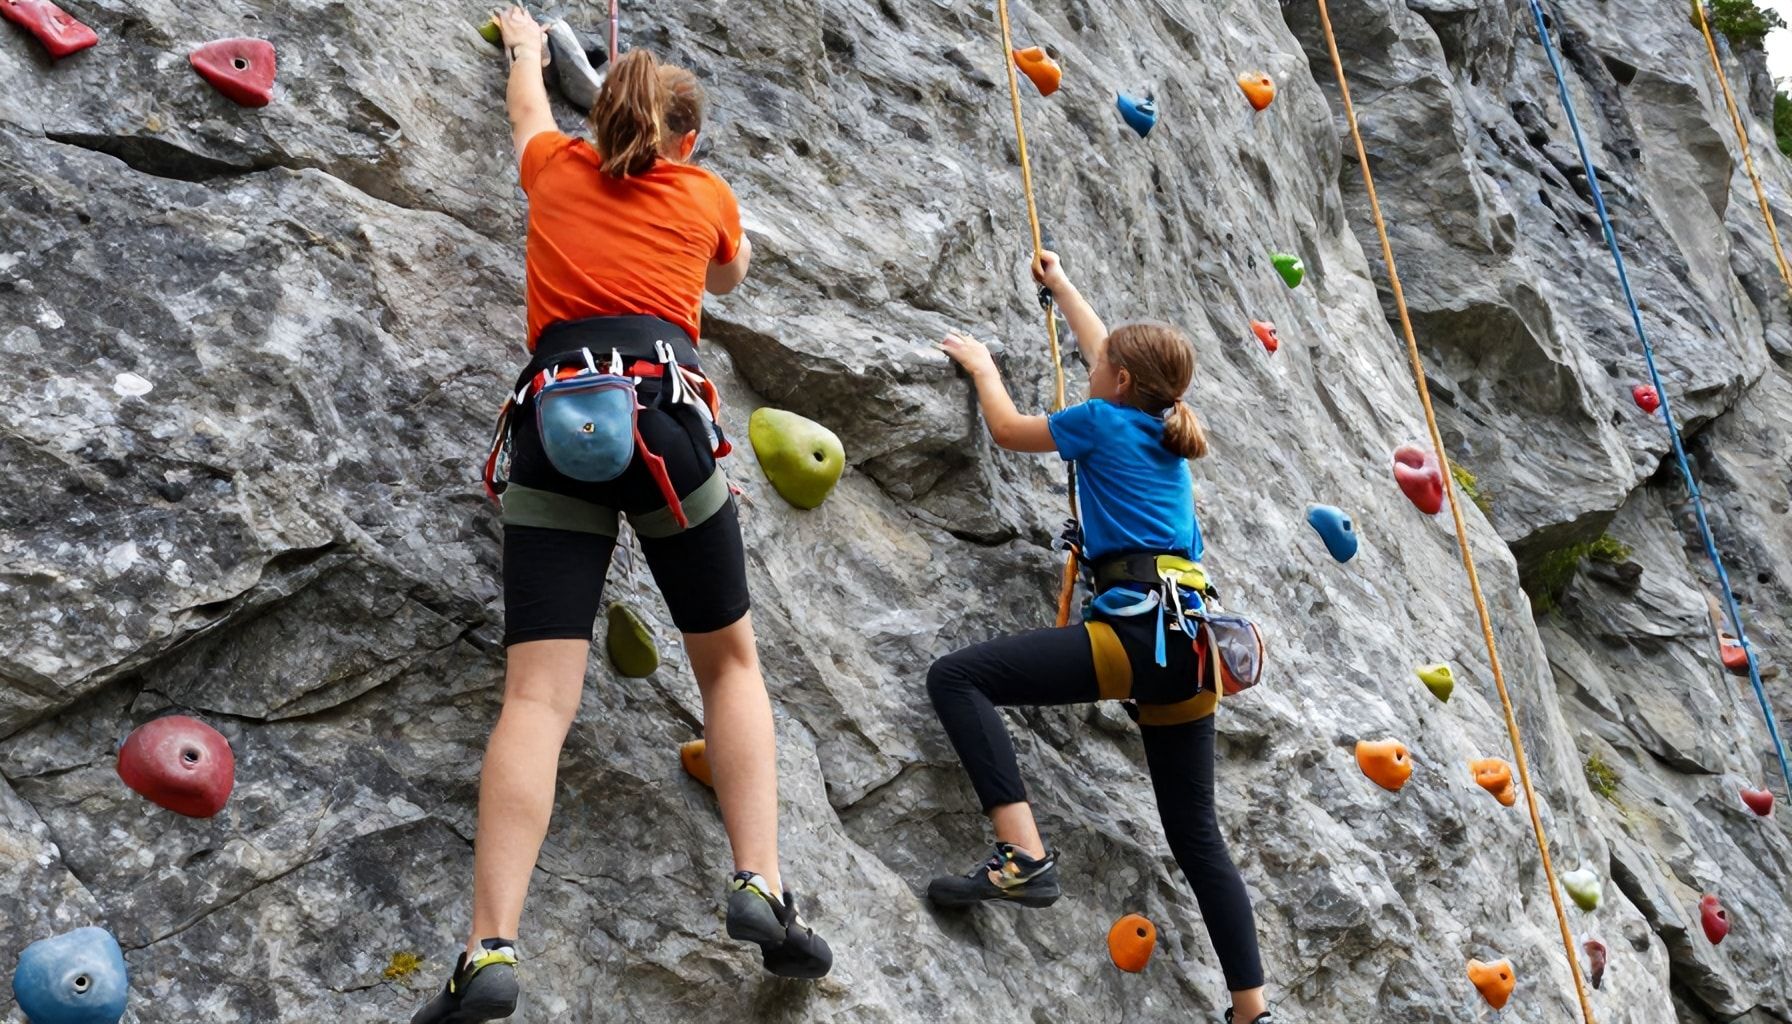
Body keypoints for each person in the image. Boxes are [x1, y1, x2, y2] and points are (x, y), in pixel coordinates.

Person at [412, 9, 830, 1022]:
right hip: (667, 423)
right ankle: (758, 883)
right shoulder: (702, 190)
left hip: (555, 423)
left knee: (537, 701)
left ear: (593, 121)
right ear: (685, 138)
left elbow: (524, 107)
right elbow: (726, 274)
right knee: (727, 661)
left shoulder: (555, 166)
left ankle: (489, 948)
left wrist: (526, 47)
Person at [926, 252, 1270, 1024]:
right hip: (1193, 649)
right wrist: (1063, 286)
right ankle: (1253, 1010)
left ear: (1117, 380)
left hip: (1136, 632)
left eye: (1103, 362)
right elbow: (1106, 350)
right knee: (1197, 837)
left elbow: (1011, 430)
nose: (1093, 363)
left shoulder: (1099, 420)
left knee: (957, 678)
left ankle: (1022, 856)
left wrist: (983, 368)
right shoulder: (1157, 426)